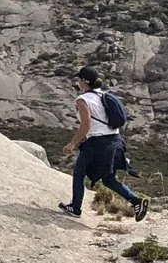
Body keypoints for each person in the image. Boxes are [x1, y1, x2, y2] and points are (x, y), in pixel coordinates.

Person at [59, 66, 148, 220]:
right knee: (108, 179)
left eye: (79, 80)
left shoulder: (83, 100)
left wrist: (73, 143)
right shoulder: (103, 95)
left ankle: (75, 207)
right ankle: (136, 201)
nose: (78, 83)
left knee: (79, 173)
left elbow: (86, 124)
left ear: (84, 82)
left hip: (98, 144)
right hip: (115, 141)